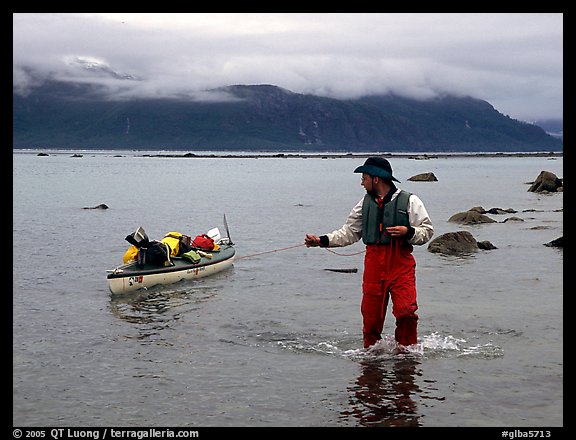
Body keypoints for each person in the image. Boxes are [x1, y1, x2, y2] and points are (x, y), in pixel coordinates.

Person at [305, 157, 433, 351]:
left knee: (406, 312)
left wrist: (409, 232)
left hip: (401, 263)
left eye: (364, 178)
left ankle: (407, 355)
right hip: (374, 264)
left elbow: (427, 231)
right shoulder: (362, 205)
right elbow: (349, 233)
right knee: (371, 318)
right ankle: (371, 359)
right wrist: (321, 241)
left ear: (376, 179)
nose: (361, 182)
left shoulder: (410, 201)